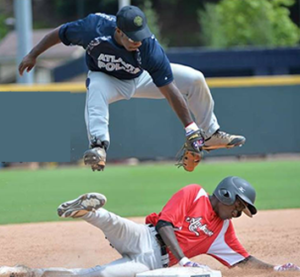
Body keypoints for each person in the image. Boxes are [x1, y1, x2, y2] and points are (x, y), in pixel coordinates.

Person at [18, 5, 246, 172]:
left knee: (195, 78)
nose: (138, 40)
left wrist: (190, 129)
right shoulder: (92, 28)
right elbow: (59, 34)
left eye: (141, 35)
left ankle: (210, 134)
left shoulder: (149, 46)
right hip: (107, 79)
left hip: (141, 77)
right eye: (132, 37)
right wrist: (32, 54)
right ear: (118, 31)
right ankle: (98, 147)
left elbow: (169, 89)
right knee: (95, 86)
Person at [1, 176, 299, 277]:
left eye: (242, 210)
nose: (238, 212)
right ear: (225, 194)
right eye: (239, 205)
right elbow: (167, 224)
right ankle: (88, 210)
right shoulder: (194, 192)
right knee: (114, 223)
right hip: (146, 237)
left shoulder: (223, 230)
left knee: (92, 275)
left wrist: (273, 269)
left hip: (150, 266)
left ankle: (30, 274)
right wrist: (183, 259)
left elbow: (243, 260)